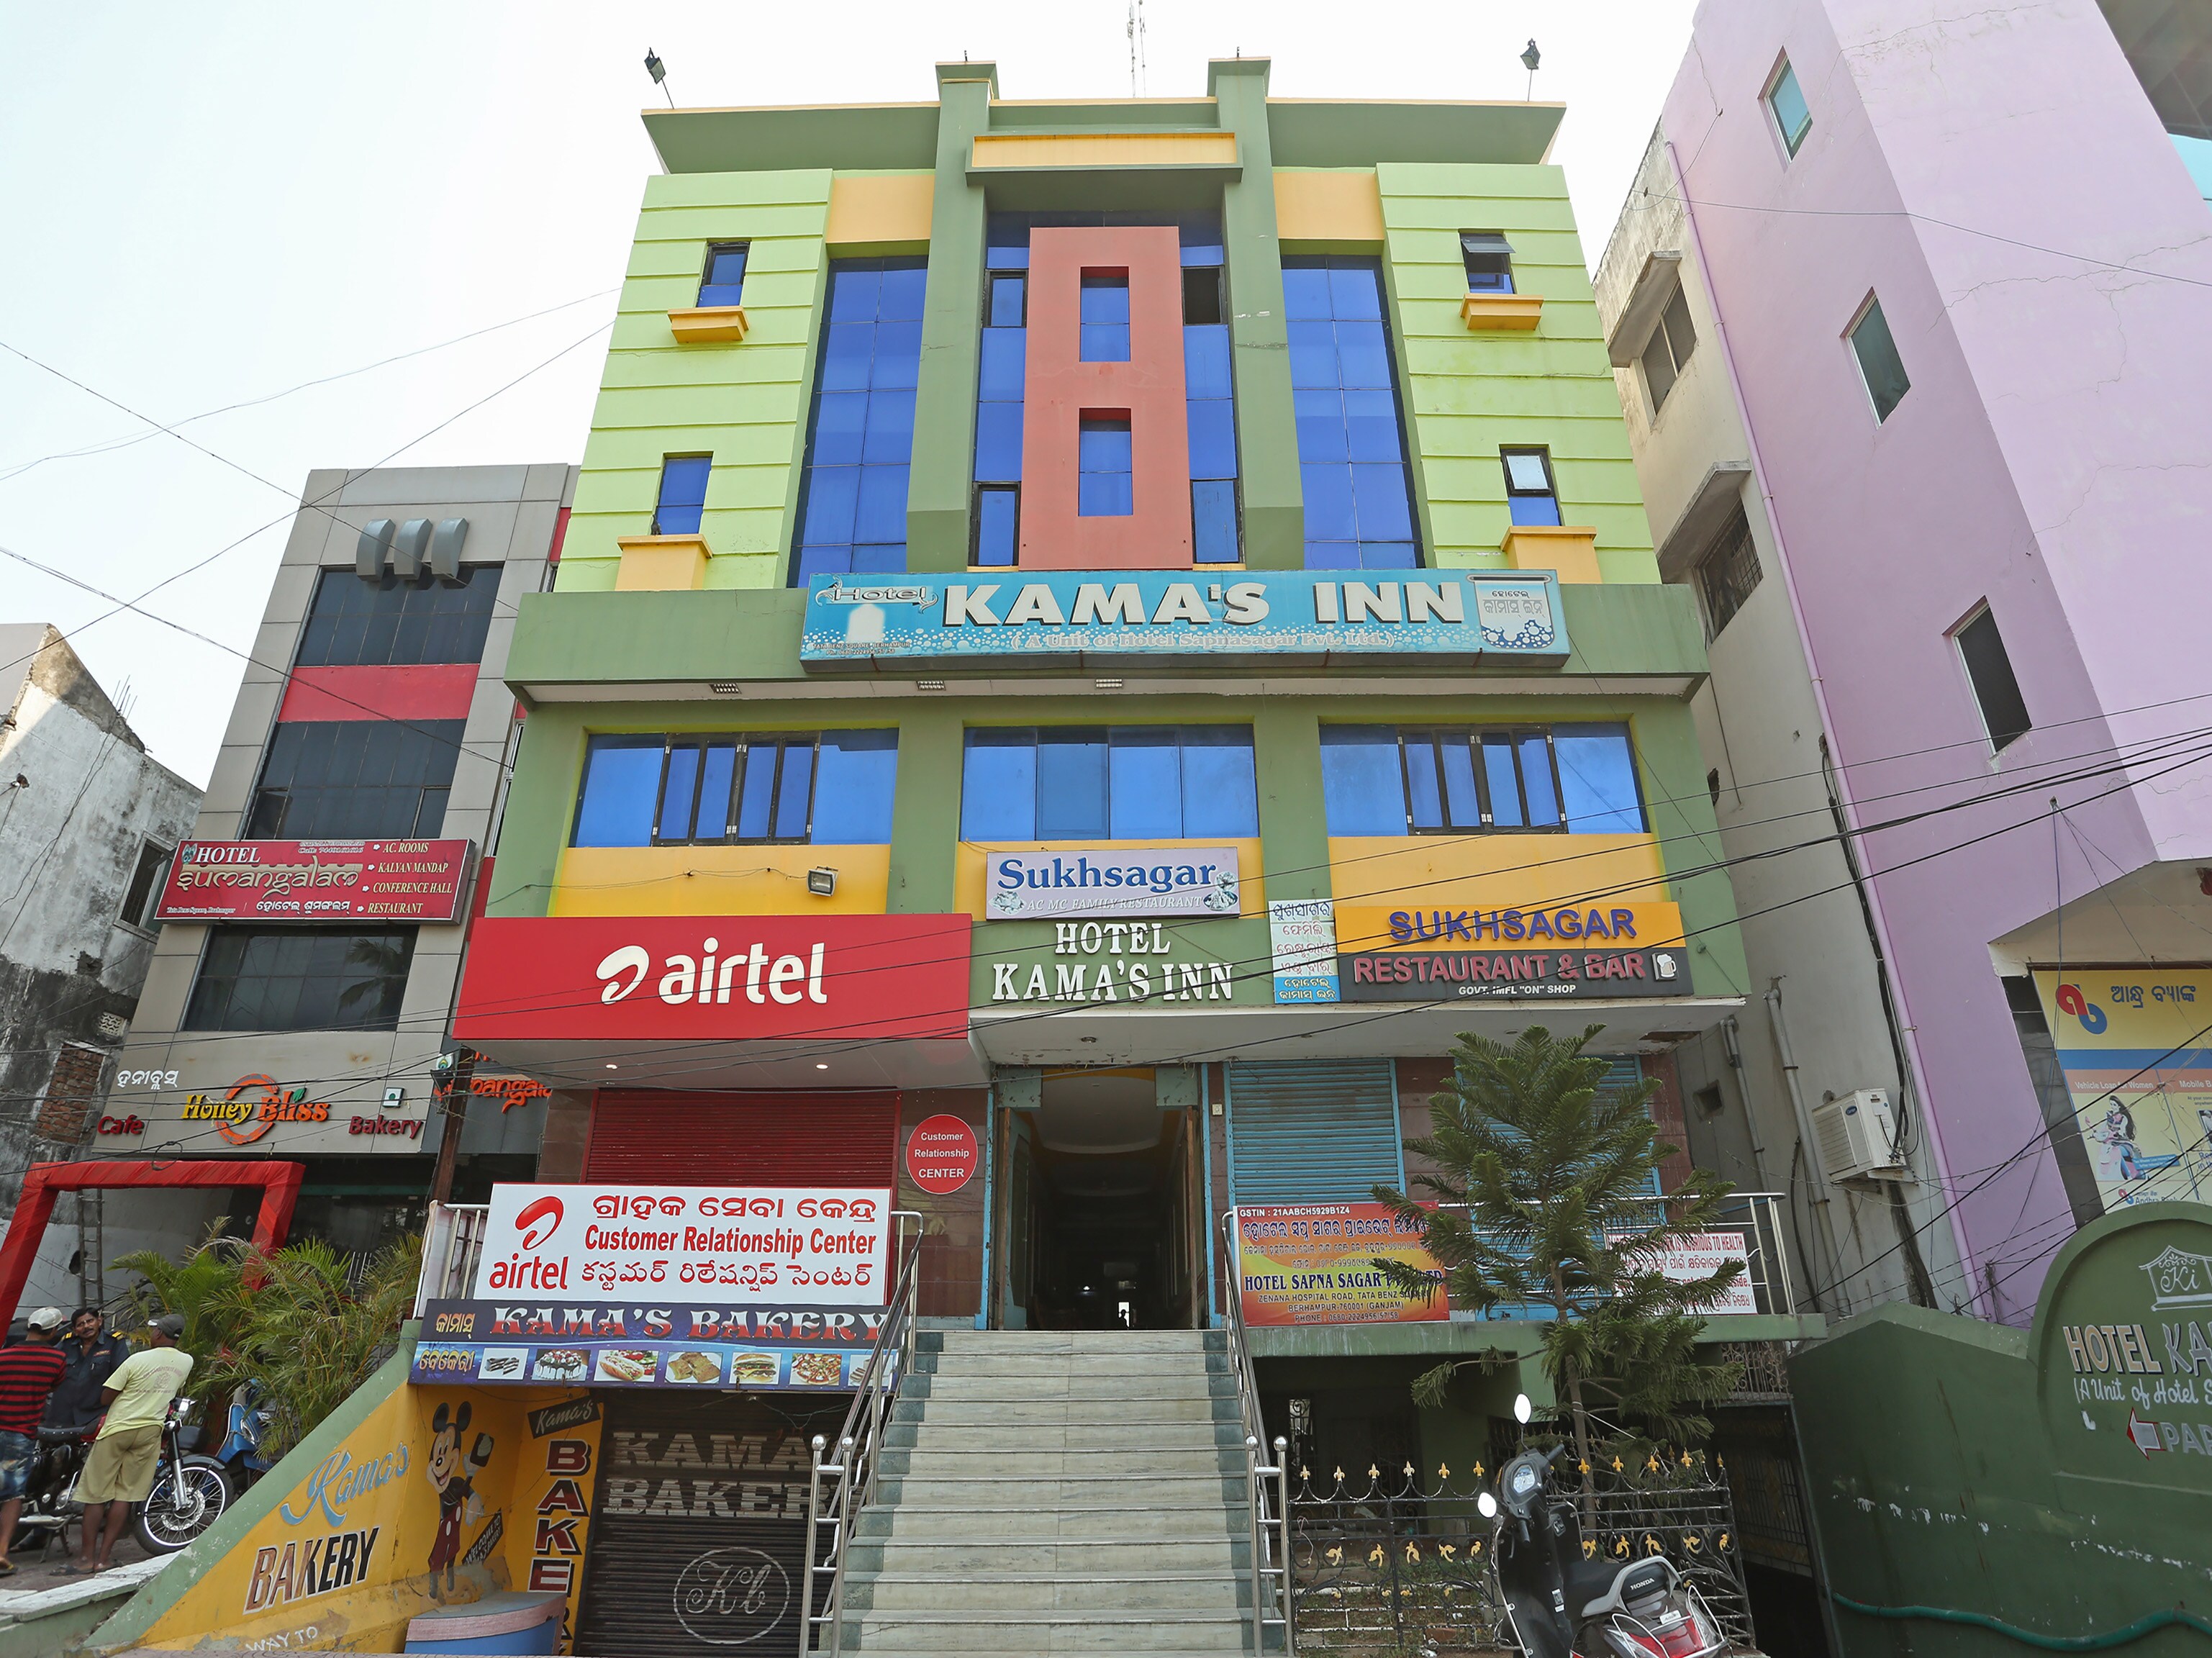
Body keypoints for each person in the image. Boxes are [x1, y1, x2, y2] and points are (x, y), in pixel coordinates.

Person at [60, 1313, 193, 1575]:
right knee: (125, 1496)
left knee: (96, 1495)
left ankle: (86, 1559)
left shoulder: (137, 1360)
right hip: (150, 1431)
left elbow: (107, 1396)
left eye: (154, 1330)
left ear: (158, 1334)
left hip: (118, 1428)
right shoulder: (186, 1361)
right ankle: (104, 1559)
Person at [0, 1310, 69, 1577]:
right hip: (20, 1434)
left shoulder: (3, 1357)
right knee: (13, 1495)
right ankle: (1, 1552)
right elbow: (53, 1387)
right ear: (53, 1332)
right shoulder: (57, 1359)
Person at [42, 1310, 125, 1433]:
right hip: (62, 1416)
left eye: (90, 1321)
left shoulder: (114, 1342)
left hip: (95, 1415)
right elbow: (47, 1366)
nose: (86, 1326)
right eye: (80, 1324)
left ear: (99, 1321)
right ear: (75, 1329)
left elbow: (122, 1376)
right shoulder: (67, 1343)